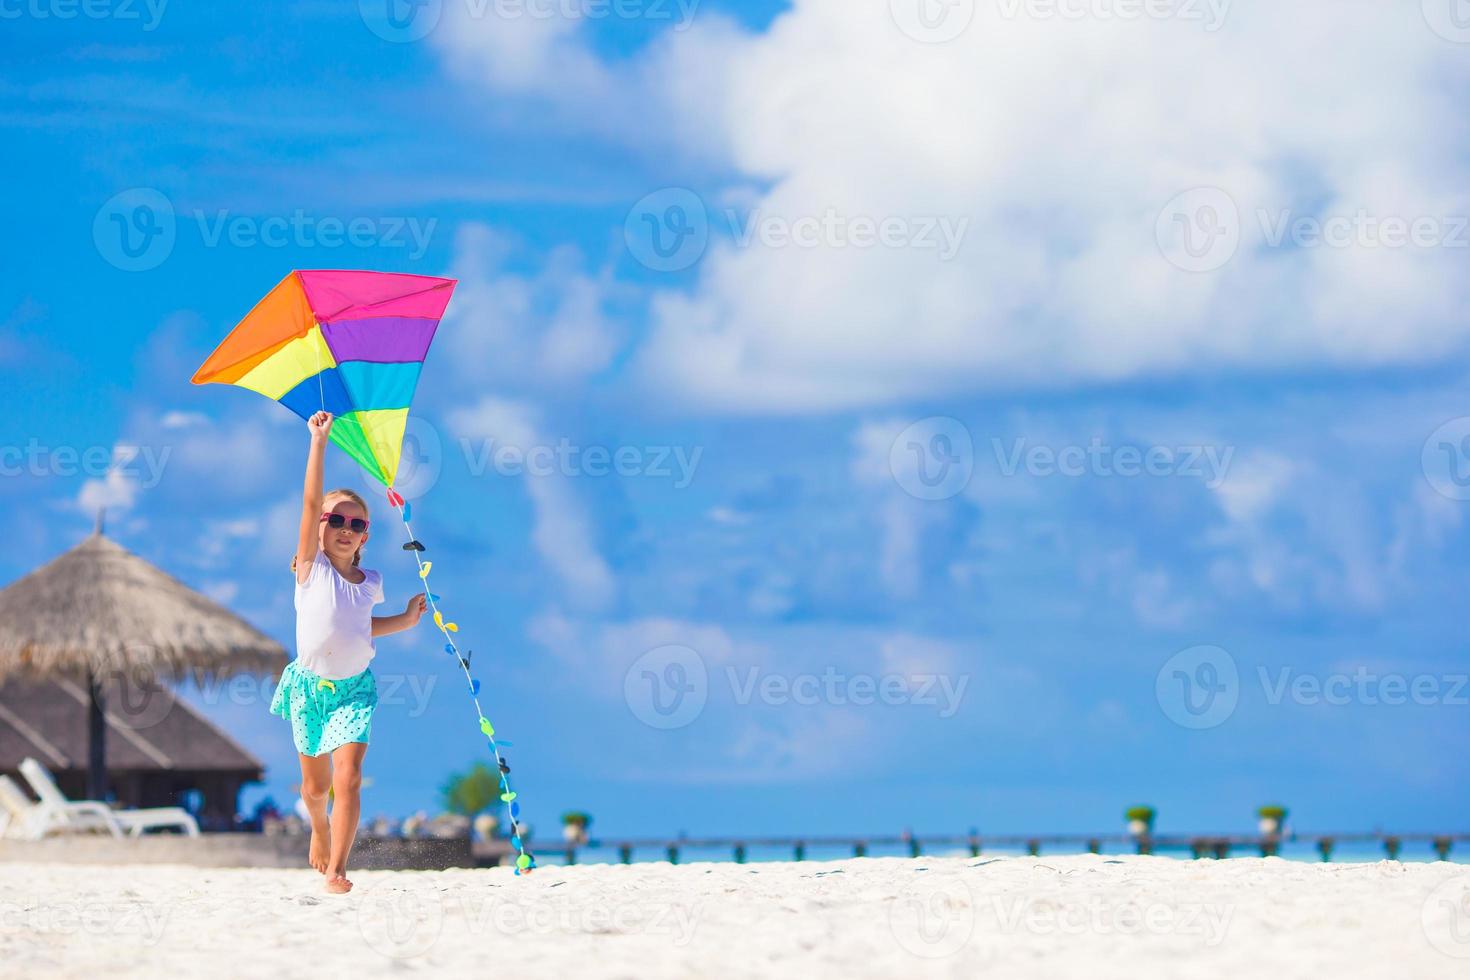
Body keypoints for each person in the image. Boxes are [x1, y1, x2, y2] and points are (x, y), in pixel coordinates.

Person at [269, 410, 426, 893]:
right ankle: (318, 826)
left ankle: (339, 868)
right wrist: (319, 441)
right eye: (334, 519)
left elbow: (360, 628)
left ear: (365, 536)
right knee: (315, 791)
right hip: (309, 690)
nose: (344, 527)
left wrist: (405, 618)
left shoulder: (370, 582)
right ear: (318, 527)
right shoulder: (310, 570)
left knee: (349, 779)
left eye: (355, 523)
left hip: (355, 690)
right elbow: (310, 498)